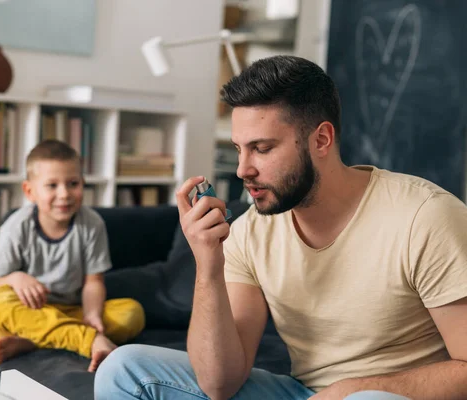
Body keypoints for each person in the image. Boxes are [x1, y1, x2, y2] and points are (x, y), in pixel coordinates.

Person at [94, 55, 467, 399]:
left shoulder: (425, 217)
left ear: (321, 139)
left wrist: (352, 390)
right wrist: (209, 266)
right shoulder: (249, 233)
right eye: (239, 149)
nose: (243, 169)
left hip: (388, 397)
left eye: (262, 148)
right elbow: (218, 382)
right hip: (302, 393)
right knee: (124, 369)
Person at [0, 139, 145, 373]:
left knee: (131, 313)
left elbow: (93, 282)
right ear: (30, 191)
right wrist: (15, 278)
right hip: (32, 312)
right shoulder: (16, 227)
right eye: (52, 185)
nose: (64, 194)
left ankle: (33, 341)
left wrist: (92, 314)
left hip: (72, 310)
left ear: (83, 184)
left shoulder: (92, 224)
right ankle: (88, 341)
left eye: (73, 183)